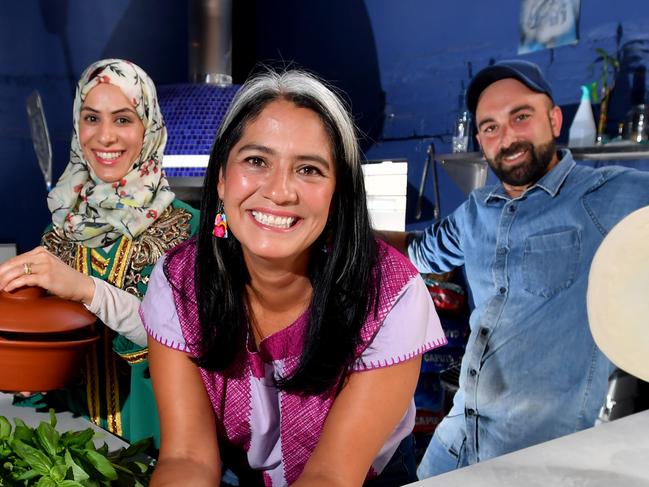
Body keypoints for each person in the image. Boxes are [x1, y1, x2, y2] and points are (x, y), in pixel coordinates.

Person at [140, 68, 447, 487]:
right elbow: (188, 458)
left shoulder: (391, 296)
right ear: (222, 179)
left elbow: (332, 475)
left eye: (309, 170)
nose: (280, 191)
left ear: (339, 195)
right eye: (256, 161)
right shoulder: (179, 285)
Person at [380, 59, 649, 478]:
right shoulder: (476, 211)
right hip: (455, 439)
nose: (507, 137)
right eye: (490, 127)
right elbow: (421, 251)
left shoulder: (609, 196)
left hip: (535, 455)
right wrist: (343, 233)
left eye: (520, 117)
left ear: (554, 119)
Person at [0, 59, 199, 446]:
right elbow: (50, 351)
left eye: (123, 119)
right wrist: (27, 369)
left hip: (165, 456)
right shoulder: (59, 230)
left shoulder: (187, 231)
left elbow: (184, 341)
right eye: (92, 118)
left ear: (150, 128)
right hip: (71, 457)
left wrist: (86, 290)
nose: (104, 136)